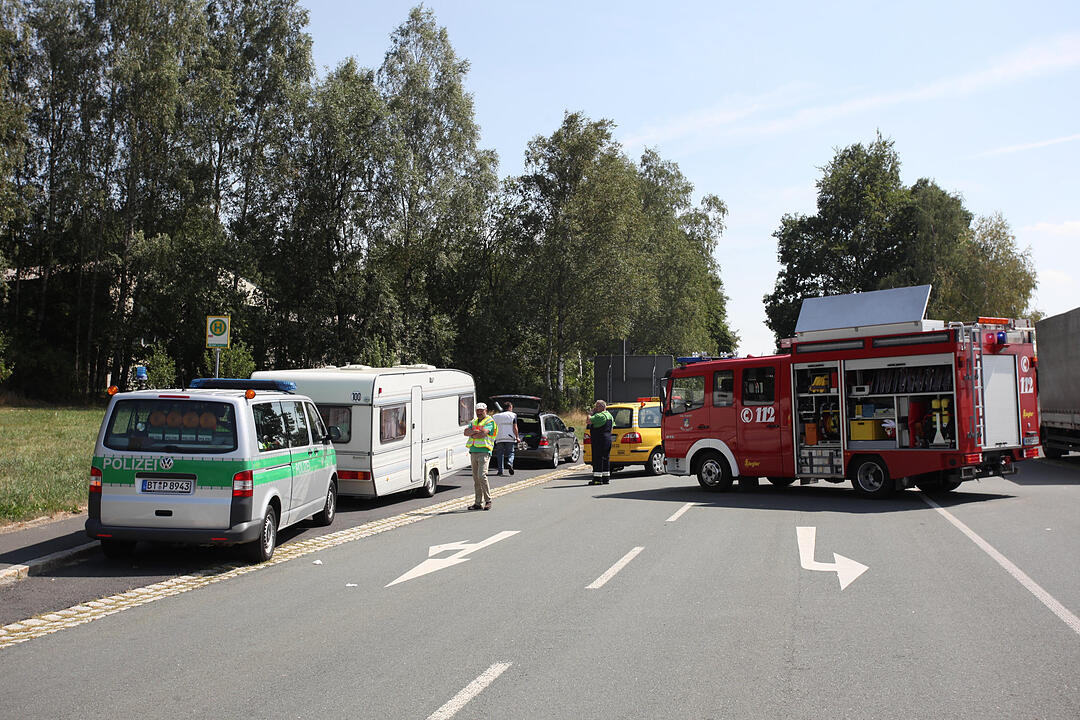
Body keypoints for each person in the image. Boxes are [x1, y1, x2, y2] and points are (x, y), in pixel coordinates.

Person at [464, 401, 497, 510]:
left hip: (484, 451)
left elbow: (483, 434)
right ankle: (478, 503)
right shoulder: (474, 421)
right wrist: (476, 431)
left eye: (481, 411)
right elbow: (465, 432)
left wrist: (473, 432)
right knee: (476, 478)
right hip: (473, 451)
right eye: (477, 411)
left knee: (481, 476)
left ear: (486, 411)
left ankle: (488, 500)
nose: (479, 413)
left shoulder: (490, 421)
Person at [587, 400, 614, 485]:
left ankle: (597, 479)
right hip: (608, 439)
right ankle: (606, 478)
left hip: (599, 440)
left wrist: (590, 414)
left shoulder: (599, 416)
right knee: (606, 458)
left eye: (597, 406)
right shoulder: (610, 416)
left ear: (602, 407)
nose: (595, 408)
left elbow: (588, 421)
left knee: (597, 458)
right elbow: (612, 429)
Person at [491, 401, 520, 476]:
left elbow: (493, 428)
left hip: (499, 437)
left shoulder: (495, 416)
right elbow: (515, 427)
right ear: (510, 407)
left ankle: (500, 471)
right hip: (509, 437)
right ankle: (509, 462)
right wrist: (517, 437)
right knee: (511, 453)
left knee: (500, 454)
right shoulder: (513, 415)